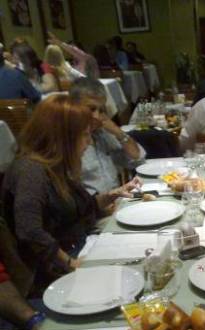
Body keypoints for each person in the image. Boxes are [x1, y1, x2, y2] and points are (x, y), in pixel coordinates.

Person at [0, 95, 139, 292]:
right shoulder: (31, 171)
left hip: (80, 247)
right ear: (62, 137)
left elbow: (75, 207)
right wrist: (70, 263)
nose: (89, 142)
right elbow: (29, 231)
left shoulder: (55, 165)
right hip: (48, 278)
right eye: (84, 135)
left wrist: (112, 194)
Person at [69, 78, 145, 194]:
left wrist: (117, 132)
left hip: (117, 200)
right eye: (91, 109)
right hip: (91, 208)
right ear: (73, 106)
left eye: (101, 110)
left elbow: (137, 159)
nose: (97, 116)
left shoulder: (101, 132)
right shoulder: (66, 141)